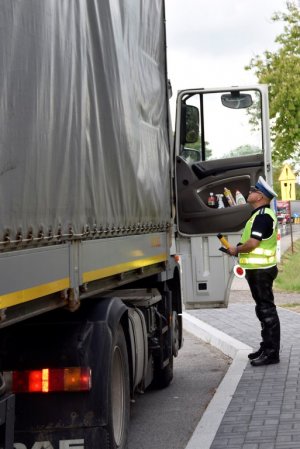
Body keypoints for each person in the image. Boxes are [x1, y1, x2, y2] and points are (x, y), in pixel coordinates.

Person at [227, 176, 280, 367]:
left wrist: (236, 249)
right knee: (263, 310)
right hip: (258, 270)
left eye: (253, 190)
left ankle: (271, 353)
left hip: (261, 271)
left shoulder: (263, 216)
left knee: (266, 311)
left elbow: (253, 244)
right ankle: (266, 347)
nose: (250, 193)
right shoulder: (260, 214)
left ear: (261, 197)